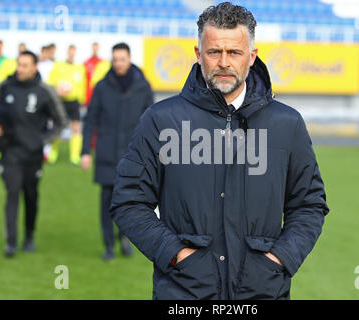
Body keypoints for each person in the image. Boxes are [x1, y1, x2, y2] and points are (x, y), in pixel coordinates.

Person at [110, 2, 329, 300]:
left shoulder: (287, 124)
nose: (224, 62)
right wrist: (175, 255)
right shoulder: (161, 120)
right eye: (214, 52)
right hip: (183, 294)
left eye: (234, 53)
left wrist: (278, 261)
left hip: (262, 292)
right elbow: (128, 200)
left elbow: (309, 204)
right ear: (199, 54)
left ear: (251, 57)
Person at [81, 43, 154, 261]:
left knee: (129, 201)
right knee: (106, 201)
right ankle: (109, 245)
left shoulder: (142, 87)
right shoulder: (102, 87)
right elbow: (90, 119)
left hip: (133, 155)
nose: (118, 63)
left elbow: (151, 121)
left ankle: (123, 236)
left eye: (122, 59)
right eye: (115, 60)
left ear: (129, 59)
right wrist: (85, 151)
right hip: (106, 153)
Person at [0, 50, 67, 257]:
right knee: (12, 193)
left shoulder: (44, 91)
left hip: (33, 156)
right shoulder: (4, 88)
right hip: (10, 154)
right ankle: (10, 243)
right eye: (19, 64)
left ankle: (29, 236)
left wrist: (42, 142)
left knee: (31, 197)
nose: (20, 69)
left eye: (25, 65)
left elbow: (61, 122)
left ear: (35, 67)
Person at [47, 44, 86, 165]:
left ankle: (74, 156)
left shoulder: (79, 68)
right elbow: (50, 82)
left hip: (73, 102)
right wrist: (57, 90)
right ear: (67, 52)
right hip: (60, 101)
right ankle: (53, 154)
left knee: (76, 127)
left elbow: (82, 85)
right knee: (57, 127)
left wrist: (81, 99)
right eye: (70, 52)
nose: (71, 54)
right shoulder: (58, 66)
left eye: (73, 52)